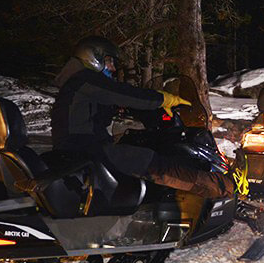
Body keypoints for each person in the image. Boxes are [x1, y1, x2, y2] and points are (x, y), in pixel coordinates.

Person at [51, 36, 238, 199]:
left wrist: (135, 110)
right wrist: (164, 99)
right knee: (150, 162)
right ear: (94, 58)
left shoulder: (78, 84)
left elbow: (111, 105)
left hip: (78, 147)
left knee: (135, 146)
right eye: (109, 62)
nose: (113, 68)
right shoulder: (85, 79)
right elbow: (124, 94)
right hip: (87, 150)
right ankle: (223, 186)